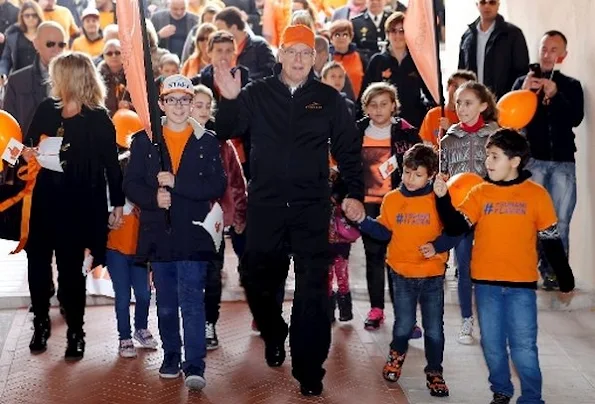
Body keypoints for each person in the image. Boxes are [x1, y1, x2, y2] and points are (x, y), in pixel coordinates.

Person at [213, 24, 364, 396]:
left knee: (313, 289)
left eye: (306, 53)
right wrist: (229, 99)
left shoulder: (328, 99)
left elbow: (347, 151)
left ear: (315, 58)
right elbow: (226, 128)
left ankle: (309, 369)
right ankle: (274, 331)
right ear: (280, 54)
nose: (298, 59)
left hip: (311, 206)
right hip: (266, 206)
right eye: (292, 51)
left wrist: (354, 193)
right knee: (257, 279)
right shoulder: (256, 93)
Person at [433, 128, 575, 404]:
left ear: (515, 161)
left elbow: (552, 242)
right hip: (486, 285)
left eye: (494, 156)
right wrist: (442, 199)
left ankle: (532, 398)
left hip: (521, 288)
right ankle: (502, 390)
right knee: (493, 346)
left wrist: (565, 280)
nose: (487, 162)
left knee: (523, 348)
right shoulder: (480, 193)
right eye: (487, 155)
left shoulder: (536, 195)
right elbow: (455, 226)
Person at [123, 74, 227, 390]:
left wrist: (178, 185)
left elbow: (217, 184)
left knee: (193, 300)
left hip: (193, 234)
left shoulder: (207, 141)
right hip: (159, 234)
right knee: (166, 302)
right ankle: (171, 355)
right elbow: (130, 184)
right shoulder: (144, 142)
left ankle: (195, 364)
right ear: (161, 104)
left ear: (192, 102)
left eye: (185, 99)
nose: (179, 106)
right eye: (172, 100)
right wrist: (153, 197)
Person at [24, 51, 125, 361]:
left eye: (57, 74)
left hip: (81, 203)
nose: (52, 80)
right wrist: (27, 154)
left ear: (70, 77)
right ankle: (40, 322)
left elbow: (112, 165)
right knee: (38, 265)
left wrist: (118, 204)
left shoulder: (98, 118)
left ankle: (75, 332)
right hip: (44, 201)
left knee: (72, 270)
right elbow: (28, 144)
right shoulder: (46, 109)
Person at [352, 144, 457, 397]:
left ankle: (435, 371)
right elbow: (383, 231)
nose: (410, 179)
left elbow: (455, 231)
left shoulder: (440, 199)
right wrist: (361, 221)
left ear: (431, 175)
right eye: (408, 172)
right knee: (403, 325)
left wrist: (437, 246)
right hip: (401, 274)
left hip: (432, 275)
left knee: (434, 329)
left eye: (418, 174)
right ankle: (396, 356)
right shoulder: (393, 199)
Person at [512, 30, 584, 291]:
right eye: (544, 48)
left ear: (563, 55)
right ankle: (527, 270)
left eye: (554, 50)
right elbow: (511, 119)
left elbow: (575, 118)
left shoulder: (572, 86)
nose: (547, 54)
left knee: (560, 221)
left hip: (563, 162)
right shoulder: (523, 82)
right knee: (530, 221)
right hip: (533, 162)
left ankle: (555, 273)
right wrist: (524, 93)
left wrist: (555, 95)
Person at [356, 82, 422, 332]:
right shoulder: (357, 131)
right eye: (373, 105)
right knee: (374, 257)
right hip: (369, 205)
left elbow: (420, 163)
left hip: (399, 204)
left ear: (394, 106)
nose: (379, 109)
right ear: (366, 108)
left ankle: (405, 316)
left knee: (399, 260)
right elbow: (347, 166)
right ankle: (376, 309)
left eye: (384, 104)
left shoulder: (406, 133)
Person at [440, 81, 499, 345]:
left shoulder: (496, 137)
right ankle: (466, 319)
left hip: (490, 213)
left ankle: (492, 320)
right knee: (463, 267)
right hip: (461, 213)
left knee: (489, 267)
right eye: (458, 103)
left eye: (468, 103)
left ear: (483, 106)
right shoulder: (448, 140)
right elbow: (443, 174)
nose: (461, 108)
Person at [191, 84, 247, 350]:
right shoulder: (176, 140)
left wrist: (238, 215)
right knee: (188, 275)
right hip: (185, 221)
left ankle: (209, 323)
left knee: (213, 275)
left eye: (206, 105)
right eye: (197, 104)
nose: (202, 110)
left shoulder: (222, 143)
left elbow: (237, 182)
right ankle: (190, 323)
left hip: (214, 222)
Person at [105, 136, 156, 359]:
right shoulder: (113, 201)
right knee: (123, 297)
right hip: (116, 253)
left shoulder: (145, 201)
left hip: (140, 255)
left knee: (144, 295)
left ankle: (141, 328)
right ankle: (124, 336)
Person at [360, 11, 434, 127]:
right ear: (387, 34)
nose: (397, 35)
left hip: (413, 124)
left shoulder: (418, 61)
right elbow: (364, 96)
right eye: (393, 31)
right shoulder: (377, 61)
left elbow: (432, 94)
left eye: (402, 31)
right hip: (382, 125)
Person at [3, 21, 66, 141]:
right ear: (36, 44)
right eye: (50, 44)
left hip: (67, 155)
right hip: (27, 154)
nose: (56, 49)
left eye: (61, 45)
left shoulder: (75, 80)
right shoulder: (17, 81)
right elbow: (7, 128)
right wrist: (19, 155)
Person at [457, 0, 529, 99]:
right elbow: (461, 73)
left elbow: (522, 72)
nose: (487, 6)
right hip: (473, 103)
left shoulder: (513, 34)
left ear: (498, 5)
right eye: (483, 2)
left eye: (492, 2)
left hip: (503, 102)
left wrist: (512, 97)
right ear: (477, 5)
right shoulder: (467, 36)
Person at [214, 6, 275, 80]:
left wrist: (242, 81)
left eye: (220, 30)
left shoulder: (258, 46)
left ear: (234, 28)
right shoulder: (223, 49)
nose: (217, 34)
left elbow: (270, 74)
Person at [418, 70, 477, 148]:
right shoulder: (433, 114)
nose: (457, 91)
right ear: (447, 87)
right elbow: (425, 142)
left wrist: (451, 128)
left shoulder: (473, 116)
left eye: (462, 88)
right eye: (455, 86)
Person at [0, 1, 44, 77]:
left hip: (42, 78)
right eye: (27, 15)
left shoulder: (46, 34)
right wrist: (2, 73)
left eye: (34, 15)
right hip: (19, 79)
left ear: (39, 16)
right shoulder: (13, 36)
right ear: (22, 16)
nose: (31, 18)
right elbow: (6, 59)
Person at [329, 19, 364, 98]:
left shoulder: (361, 58)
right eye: (337, 35)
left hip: (355, 105)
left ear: (351, 37)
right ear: (331, 38)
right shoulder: (326, 58)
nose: (341, 38)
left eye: (345, 35)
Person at [351, 0, 392, 67]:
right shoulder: (356, 23)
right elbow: (354, 48)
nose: (375, 2)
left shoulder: (393, 19)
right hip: (366, 65)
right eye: (371, 0)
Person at [97, 39, 131, 116]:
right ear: (103, 56)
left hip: (130, 120)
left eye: (117, 52)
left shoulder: (133, 75)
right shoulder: (97, 78)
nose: (114, 56)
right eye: (109, 53)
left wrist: (129, 106)